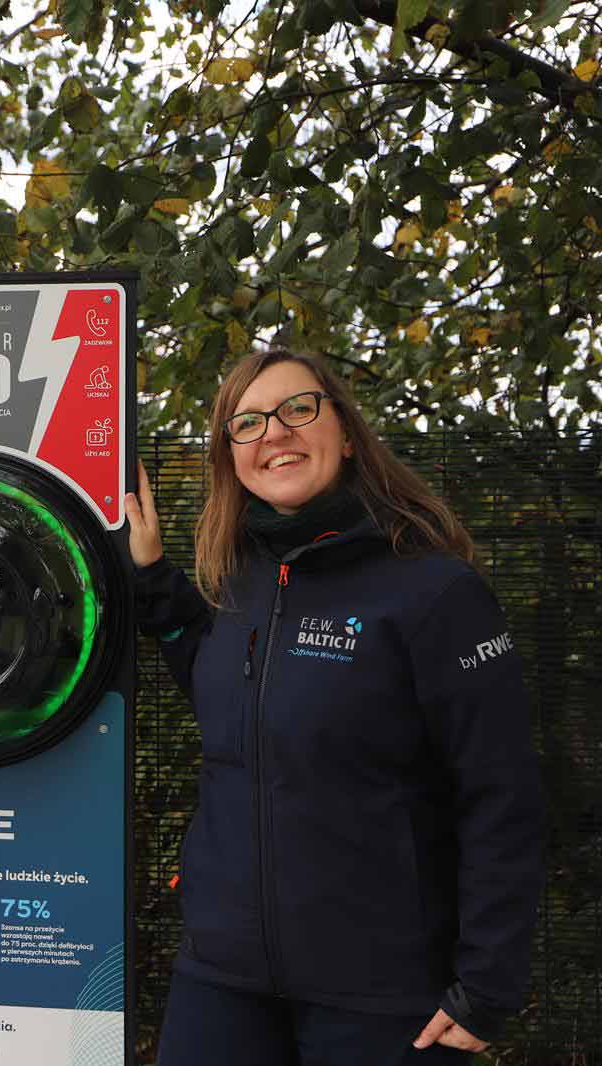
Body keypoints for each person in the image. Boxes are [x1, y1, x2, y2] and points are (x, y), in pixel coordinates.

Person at [127, 348, 544, 1066]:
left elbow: (502, 796)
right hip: (223, 982)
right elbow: (226, 693)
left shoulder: (435, 593)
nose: (274, 434)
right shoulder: (240, 582)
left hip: (382, 999)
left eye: (298, 409)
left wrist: (488, 983)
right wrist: (153, 577)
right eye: (247, 423)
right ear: (231, 458)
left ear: (346, 431)